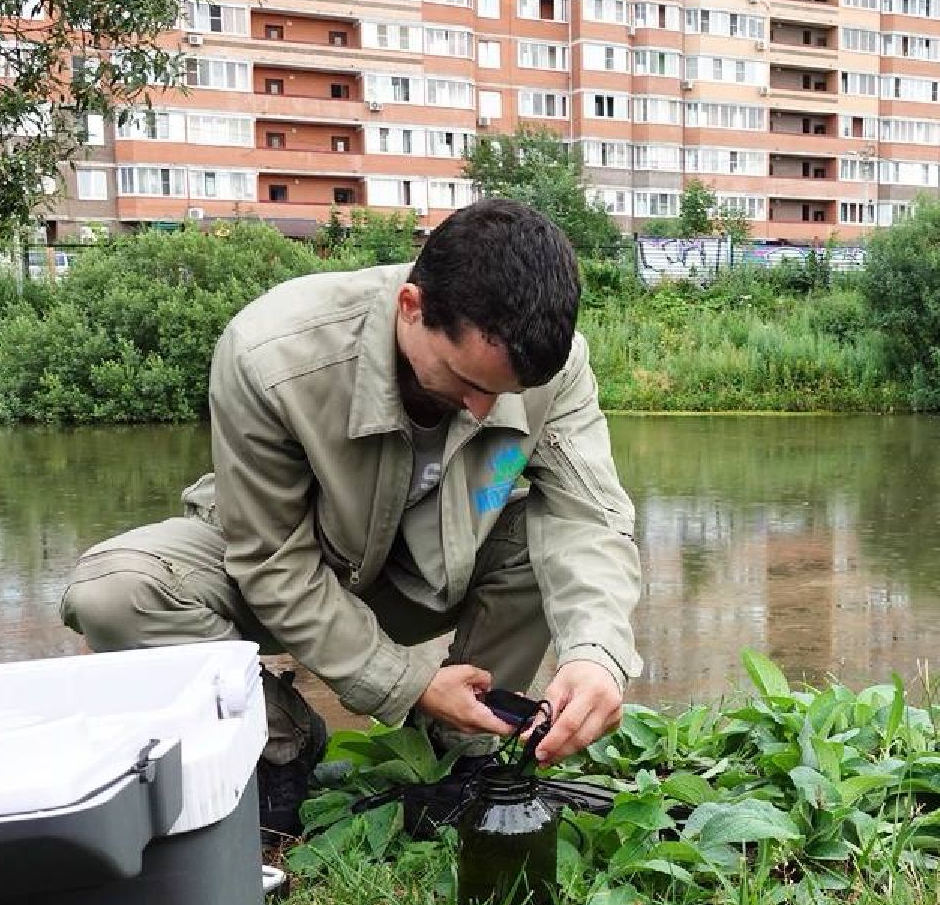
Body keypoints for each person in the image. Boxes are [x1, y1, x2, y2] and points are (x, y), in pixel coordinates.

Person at [60, 198, 643, 839]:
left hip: (430, 575)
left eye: (503, 394)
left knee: (538, 531)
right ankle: (277, 740)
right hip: (285, 566)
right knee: (113, 595)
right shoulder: (270, 355)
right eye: (463, 381)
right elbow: (273, 561)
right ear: (412, 309)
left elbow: (588, 516)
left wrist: (595, 656)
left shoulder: (555, 371)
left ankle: (463, 750)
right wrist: (410, 682)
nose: (483, 411)